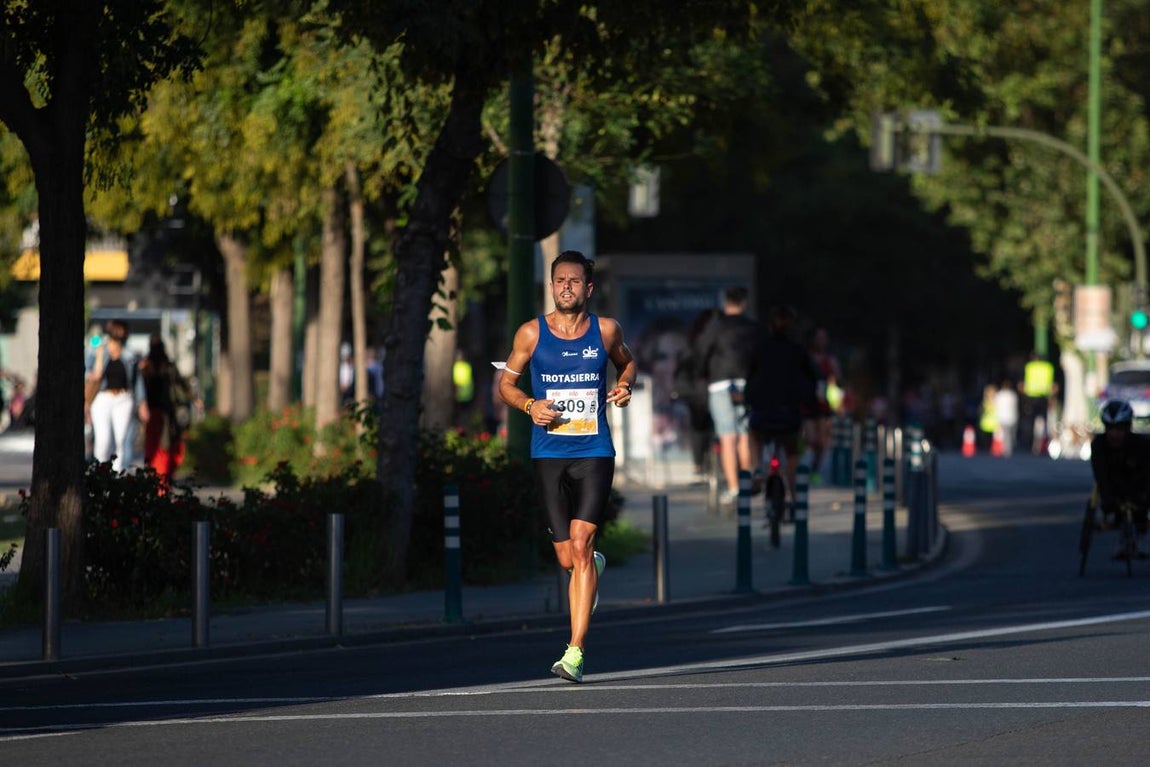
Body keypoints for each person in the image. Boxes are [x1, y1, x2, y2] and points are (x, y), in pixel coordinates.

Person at [498, 250, 637, 684]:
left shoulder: (606, 330)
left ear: (588, 288)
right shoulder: (531, 334)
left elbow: (627, 363)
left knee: (579, 543)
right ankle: (589, 566)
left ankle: (574, 651)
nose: (566, 288)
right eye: (559, 281)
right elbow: (506, 383)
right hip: (549, 453)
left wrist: (625, 385)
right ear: (551, 285)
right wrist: (529, 404)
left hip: (594, 450)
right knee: (567, 559)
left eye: (574, 281)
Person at [692, 286, 763, 504]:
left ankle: (733, 489)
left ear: (726, 303)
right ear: (744, 303)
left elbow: (701, 352)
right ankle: (748, 477)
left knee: (727, 437)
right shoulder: (753, 328)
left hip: (720, 384)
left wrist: (702, 374)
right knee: (744, 434)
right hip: (746, 384)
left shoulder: (716, 327)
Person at [744, 304, 818, 509]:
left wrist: (747, 402)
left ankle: (758, 468)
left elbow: (750, 379)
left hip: (762, 413)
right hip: (789, 415)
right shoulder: (798, 351)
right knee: (792, 453)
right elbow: (811, 381)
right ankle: (795, 497)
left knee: (754, 434)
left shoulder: (760, 349)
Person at [1090, 400, 1150, 558]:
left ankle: (1139, 535)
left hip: (1139, 486)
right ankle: (1123, 538)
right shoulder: (1099, 445)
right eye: (1110, 429)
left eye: (1119, 429)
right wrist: (1106, 499)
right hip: (1113, 486)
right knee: (1112, 502)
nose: (1114, 434)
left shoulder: (1142, 445)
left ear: (1128, 428)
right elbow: (1100, 475)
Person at [85, 319, 148, 472]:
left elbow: (136, 380)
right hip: (102, 398)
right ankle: (100, 473)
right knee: (103, 440)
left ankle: (119, 474)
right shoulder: (97, 351)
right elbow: (87, 372)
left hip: (123, 398)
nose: (121, 335)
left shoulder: (129, 354)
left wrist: (142, 402)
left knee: (122, 440)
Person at [672, 308, 719, 481]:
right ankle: (701, 465)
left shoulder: (697, 342)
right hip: (699, 393)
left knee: (705, 428)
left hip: (701, 392)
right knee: (701, 427)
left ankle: (704, 465)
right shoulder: (697, 345)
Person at [140, 334, 190, 486]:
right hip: (164, 412)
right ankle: (162, 478)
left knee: (153, 447)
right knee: (164, 446)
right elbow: (181, 387)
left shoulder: (145, 367)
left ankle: (154, 478)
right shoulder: (168, 367)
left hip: (151, 413)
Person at [806, 327, 842, 484]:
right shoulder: (806, 357)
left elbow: (837, 380)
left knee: (822, 441)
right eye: (818, 338)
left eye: (823, 338)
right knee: (811, 438)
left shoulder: (830, 359)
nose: (821, 341)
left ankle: (815, 469)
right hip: (807, 402)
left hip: (824, 404)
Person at [993, 378, 1019, 457]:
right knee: (1010, 434)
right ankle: (1008, 449)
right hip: (1012, 417)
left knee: (1006, 434)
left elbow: (996, 406)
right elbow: (1015, 406)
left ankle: (1007, 449)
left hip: (1003, 417)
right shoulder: (1013, 395)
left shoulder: (999, 395)